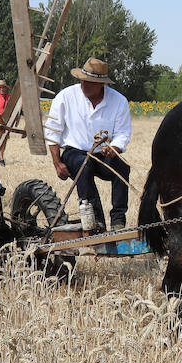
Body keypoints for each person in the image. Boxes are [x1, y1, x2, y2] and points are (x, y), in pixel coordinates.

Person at [44, 57, 132, 232]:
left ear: (102, 85)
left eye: (90, 83)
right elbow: (53, 131)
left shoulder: (119, 101)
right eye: (82, 81)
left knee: (122, 168)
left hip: (103, 153)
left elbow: (122, 133)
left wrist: (114, 148)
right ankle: (96, 221)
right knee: (83, 166)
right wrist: (57, 162)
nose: (84, 85)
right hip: (74, 152)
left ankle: (118, 221)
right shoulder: (65, 97)